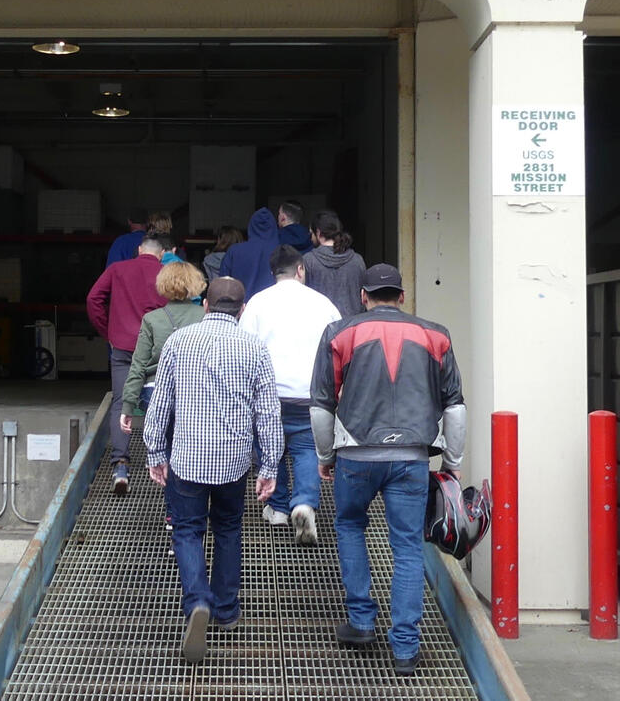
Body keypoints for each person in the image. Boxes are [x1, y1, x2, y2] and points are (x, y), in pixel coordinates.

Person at [310, 264, 466, 677]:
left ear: (364, 296)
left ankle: (361, 623)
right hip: (413, 458)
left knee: (349, 526)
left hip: (356, 456)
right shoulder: (436, 334)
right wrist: (451, 464)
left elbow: (321, 406)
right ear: (401, 296)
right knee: (408, 549)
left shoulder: (339, 332)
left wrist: (326, 456)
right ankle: (405, 650)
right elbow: (455, 406)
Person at [144, 277, 283, 664]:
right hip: (234, 462)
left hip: (187, 458)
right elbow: (268, 412)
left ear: (205, 304)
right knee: (228, 528)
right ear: (241, 310)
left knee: (187, 530)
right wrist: (270, 465)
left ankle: (197, 602)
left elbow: (161, 404)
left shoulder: (180, 341)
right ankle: (225, 609)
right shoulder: (254, 347)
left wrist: (155, 451)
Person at [238, 245, 340, 545]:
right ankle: (304, 503)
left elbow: (245, 347)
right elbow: (337, 344)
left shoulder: (258, 302)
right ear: (300, 270)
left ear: (274, 274)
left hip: (270, 392)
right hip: (311, 392)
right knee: (307, 449)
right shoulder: (323, 303)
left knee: (272, 448)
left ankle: (278, 507)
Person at [87, 233, 166, 495]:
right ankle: (163, 462)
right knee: (163, 401)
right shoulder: (166, 273)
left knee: (122, 402)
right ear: (162, 253)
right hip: (156, 347)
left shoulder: (117, 269)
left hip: (121, 346)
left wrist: (107, 330)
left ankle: (121, 466)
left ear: (140, 249)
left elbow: (93, 299)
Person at [118, 260, 207, 434]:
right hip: (196, 391)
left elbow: (138, 365)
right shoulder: (206, 316)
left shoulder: (151, 319)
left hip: (155, 390)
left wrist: (127, 406)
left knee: (161, 449)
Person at [302, 209, 366, 317]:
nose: (311, 237)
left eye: (311, 233)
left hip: (321, 329)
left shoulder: (308, 261)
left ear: (318, 233)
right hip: (351, 327)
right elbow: (364, 298)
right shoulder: (357, 260)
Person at [218, 207, 278, 300]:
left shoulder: (234, 251)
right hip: (273, 308)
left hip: (240, 308)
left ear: (251, 226)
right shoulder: (283, 251)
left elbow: (223, 283)